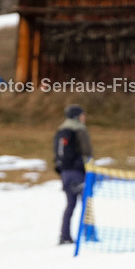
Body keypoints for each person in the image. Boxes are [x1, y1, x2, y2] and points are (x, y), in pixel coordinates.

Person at [54, 104, 93, 245]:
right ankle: (88, 234)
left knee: (70, 204)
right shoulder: (78, 129)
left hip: (65, 173)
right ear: (77, 116)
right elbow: (87, 150)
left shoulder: (61, 130)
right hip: (77, 172)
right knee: (86, 203)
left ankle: (65, 235)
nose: (84, 117)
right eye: (82, 114)